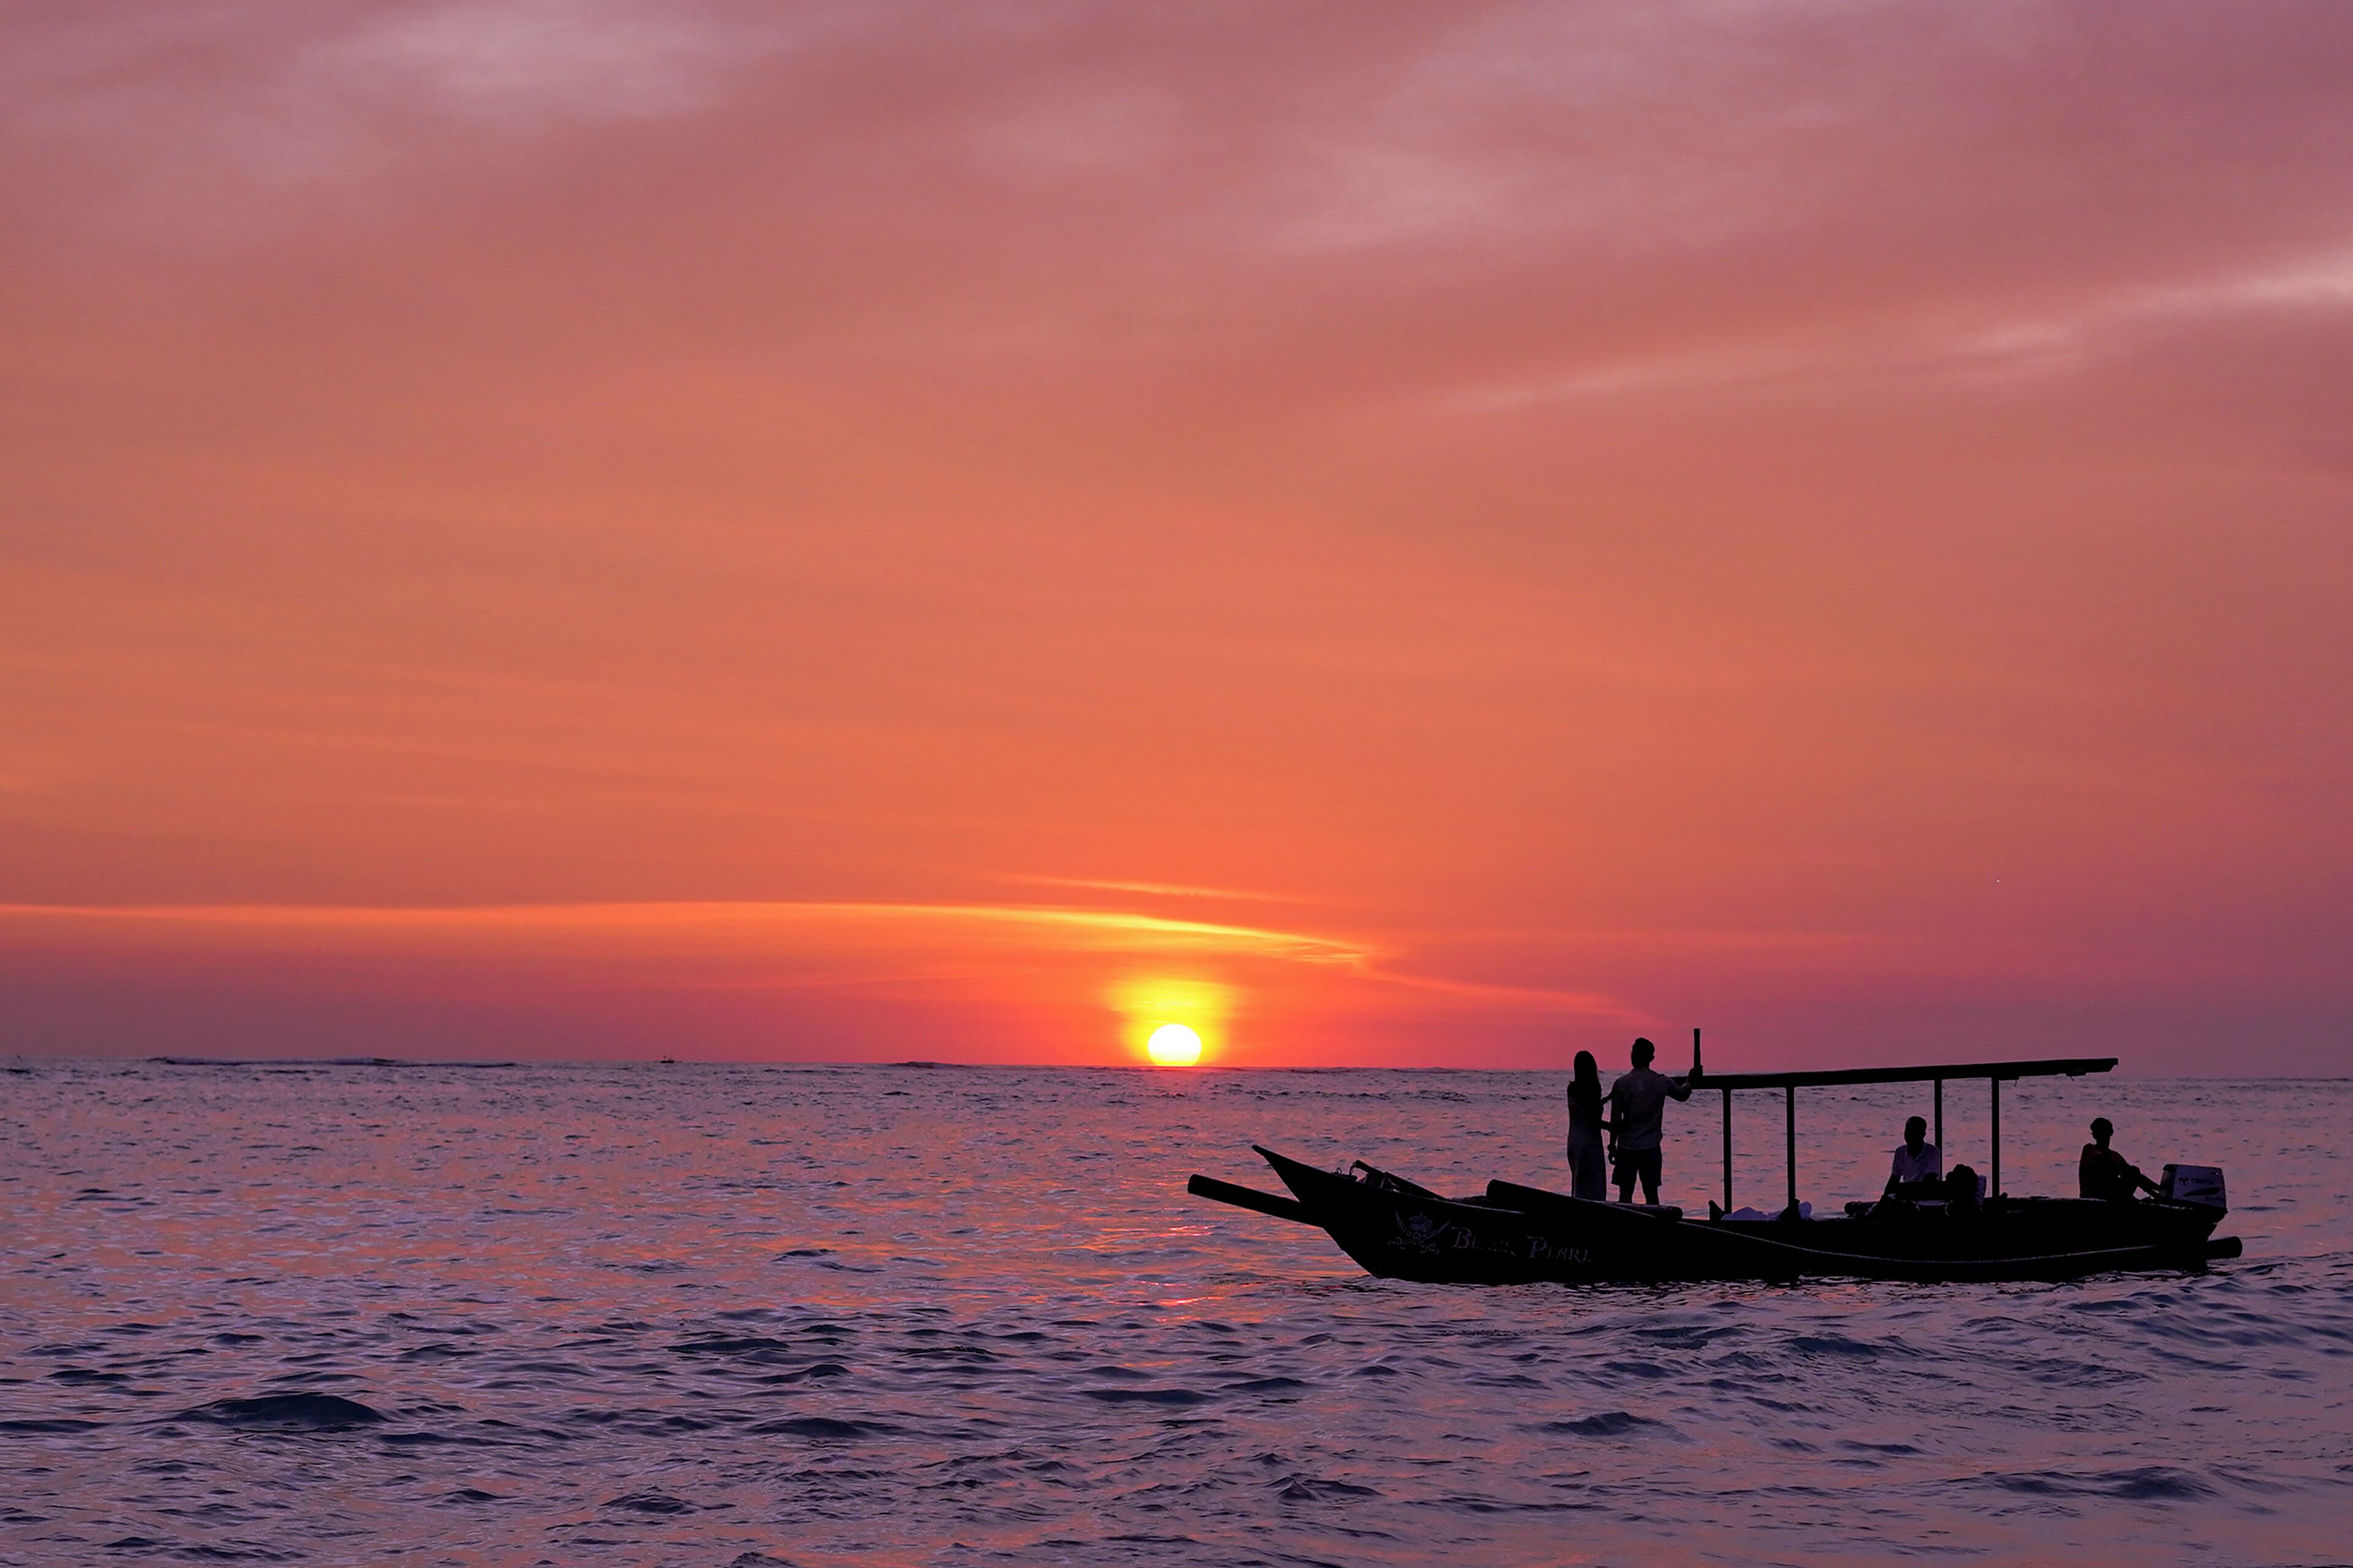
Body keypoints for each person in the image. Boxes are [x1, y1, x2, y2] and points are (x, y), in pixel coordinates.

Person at [1608, 1037, 1697, 1205]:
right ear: (1651, 1058)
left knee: (1625, 1198)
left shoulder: (1621, 1084)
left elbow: (1615, 1121)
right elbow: (1682, 1095)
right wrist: (1690, 1081)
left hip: (1627, 1147)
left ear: (1633, 1056)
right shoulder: (1661, 1082)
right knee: (1652, 1195)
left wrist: (1612, 1146)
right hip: (1651, 1147)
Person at [2079, 1117, 2161, 1202]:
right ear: (2094, 1135)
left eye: (2104, 1132)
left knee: (2134, 1170)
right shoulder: (2089, 1150)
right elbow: (2103, 1162)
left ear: (2111, 1133)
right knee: (2126, 1171)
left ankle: (2150, 1200)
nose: (2102, 1135)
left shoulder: (2115, 1156)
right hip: (2092, 1194)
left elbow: (2135, 1176)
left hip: (2113, 1195)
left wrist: (2158, 1188)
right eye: (2100, 1133)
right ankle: (2138, 1200)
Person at [1565, 1050, 1610, 1201]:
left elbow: (1584, 1110)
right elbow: (1593, 1119)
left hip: (1574, 1141)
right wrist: (1614, 1128)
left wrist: (1604, 1100)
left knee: (1579, 1182)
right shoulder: (1594, 1088)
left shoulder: (1572, 1089)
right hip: (1591, 1142)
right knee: (1595, 1184)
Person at [1882, 1116, 1942, 1199]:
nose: (1910, 1135)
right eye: (1907, 1132)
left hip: (1927, 1194)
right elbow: (1894, 1179)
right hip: (1906, 1194)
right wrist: (1884, 1198)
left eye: (1914, 1132)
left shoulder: (1933, 1152)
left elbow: (1930, 1179)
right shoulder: (1900, 1152)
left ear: (1923, 1134)